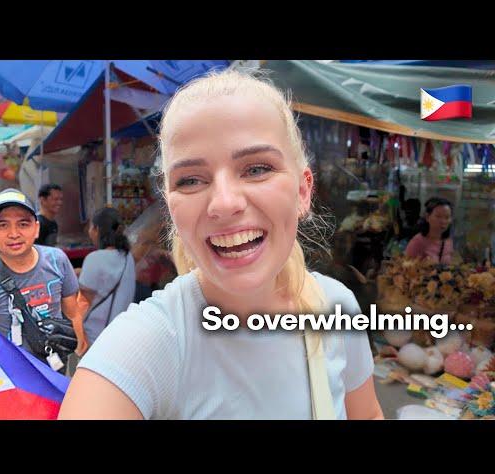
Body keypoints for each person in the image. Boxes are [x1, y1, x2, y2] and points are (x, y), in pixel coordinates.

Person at [58, 69, 383, 420]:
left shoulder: (335, 306)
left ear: (303, 191)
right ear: (171, 208)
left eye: (257, 169)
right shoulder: (149, 342)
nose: (224, 203)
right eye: (191, 180)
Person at [0, 188, 89, 369]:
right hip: (11, 378)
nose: (14, 234)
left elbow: (73, 313)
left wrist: (79, 355)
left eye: (23, 224)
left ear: (36, 228)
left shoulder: (57, 260)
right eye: (2, 225)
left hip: (55, 367)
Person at [78, 207, 136, 347]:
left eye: (91, 227)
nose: (89, 231)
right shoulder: (128, 257)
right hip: (120, 333)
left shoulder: (94, 258)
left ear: (97, 229)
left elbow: (84, 301)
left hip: (95, 335)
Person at [405, 197, 454, 264]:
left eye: (447, 217)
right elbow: (405, 268)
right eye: (438, 216)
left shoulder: (448, 241)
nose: (443, 221)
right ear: (427, 217)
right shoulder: (417, 242)